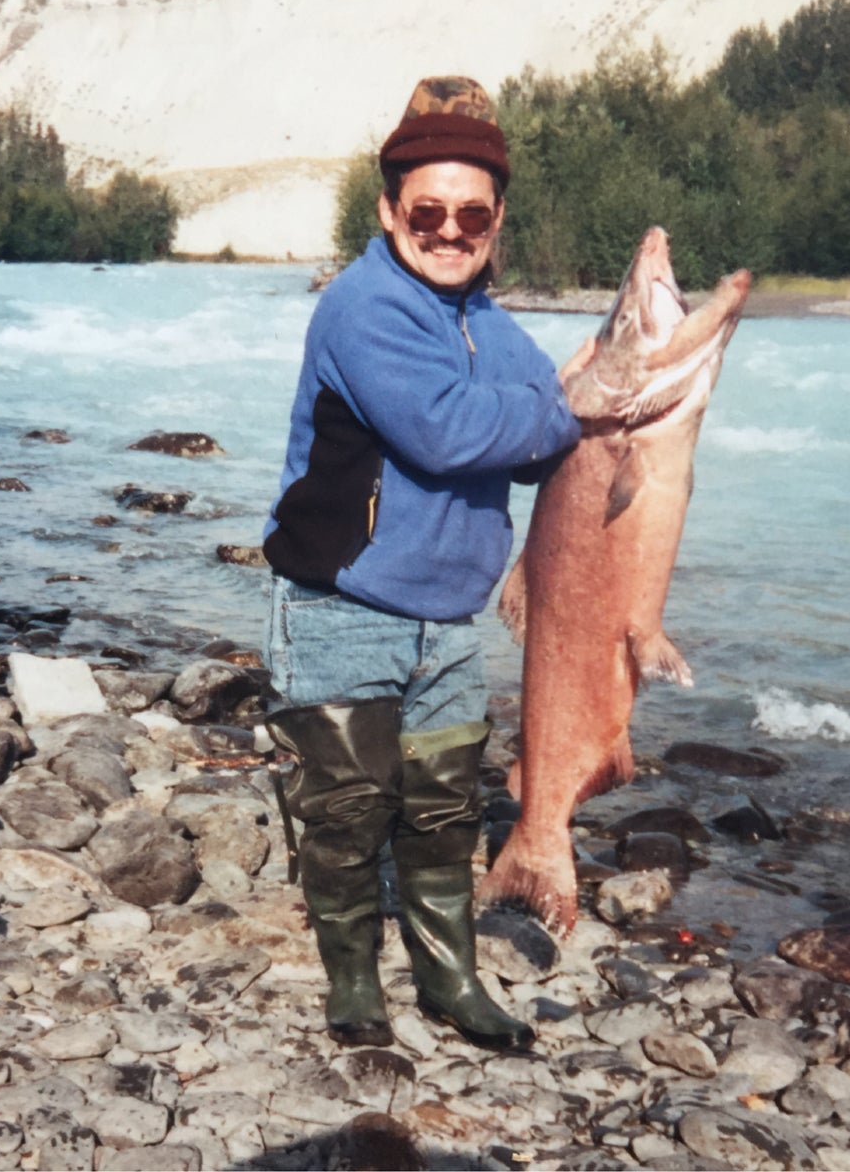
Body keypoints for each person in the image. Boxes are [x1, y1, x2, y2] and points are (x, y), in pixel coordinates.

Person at [260, 76, 583, 1050]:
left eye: (471, 213)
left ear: (496, 219)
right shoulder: (364, 307)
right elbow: (448, 433)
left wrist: (547, 413)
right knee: (350, 813)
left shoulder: (490, 320)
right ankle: (355, 983)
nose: (449, 231)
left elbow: (531, 447)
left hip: (449, 622)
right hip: (341, 605)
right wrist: (558, 406)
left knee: (443, 813)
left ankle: (448, 982)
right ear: (389, 210)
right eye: (428, 211)